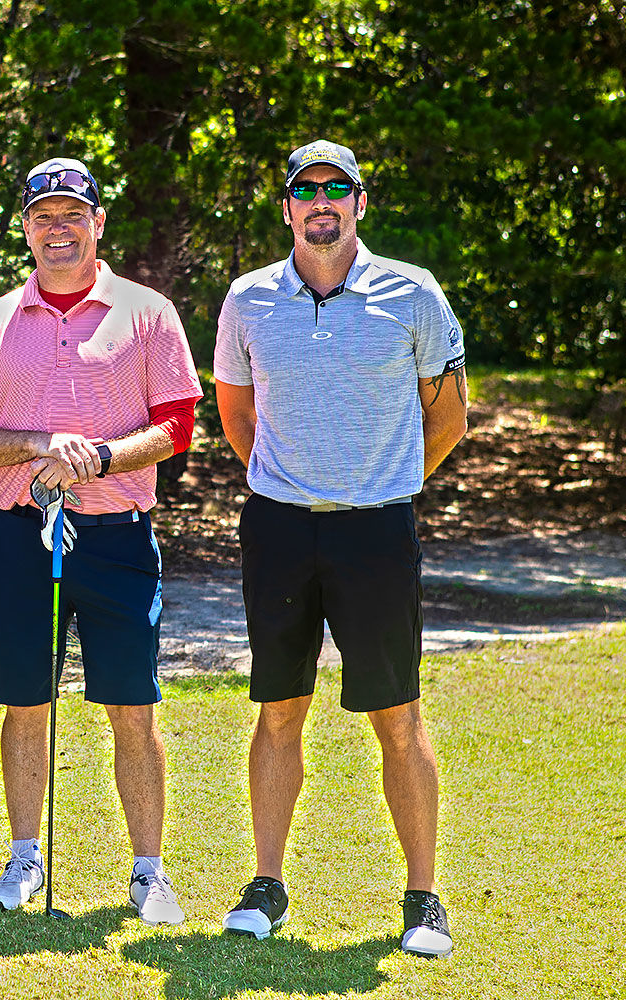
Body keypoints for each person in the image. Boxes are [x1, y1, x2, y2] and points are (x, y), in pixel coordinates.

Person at [212, 140, 468, 957]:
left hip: (376, 530)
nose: (320, 201)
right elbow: (237, 415)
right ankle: (266, 884)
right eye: (305, 189)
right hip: (280, 528)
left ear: (360, 201)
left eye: (336, 188)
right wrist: (293, 480)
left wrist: (383, 479)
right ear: (287, 206)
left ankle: (423, 898)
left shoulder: (414, 294)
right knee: (278, 708)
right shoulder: (248, 299)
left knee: (398, 713)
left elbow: (448, 417)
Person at [0, 158, 203, 926]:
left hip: (118, 536)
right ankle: (24, 859)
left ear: (98, 223)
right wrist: (38, 445)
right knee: (25, 703)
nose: (56, 229)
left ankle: (149, 872)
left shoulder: (147, 313)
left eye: (71, 215)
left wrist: (99, 456)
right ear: (26, 228)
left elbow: (178, 425)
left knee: (133, 707)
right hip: (22, 536)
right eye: (42, 217)